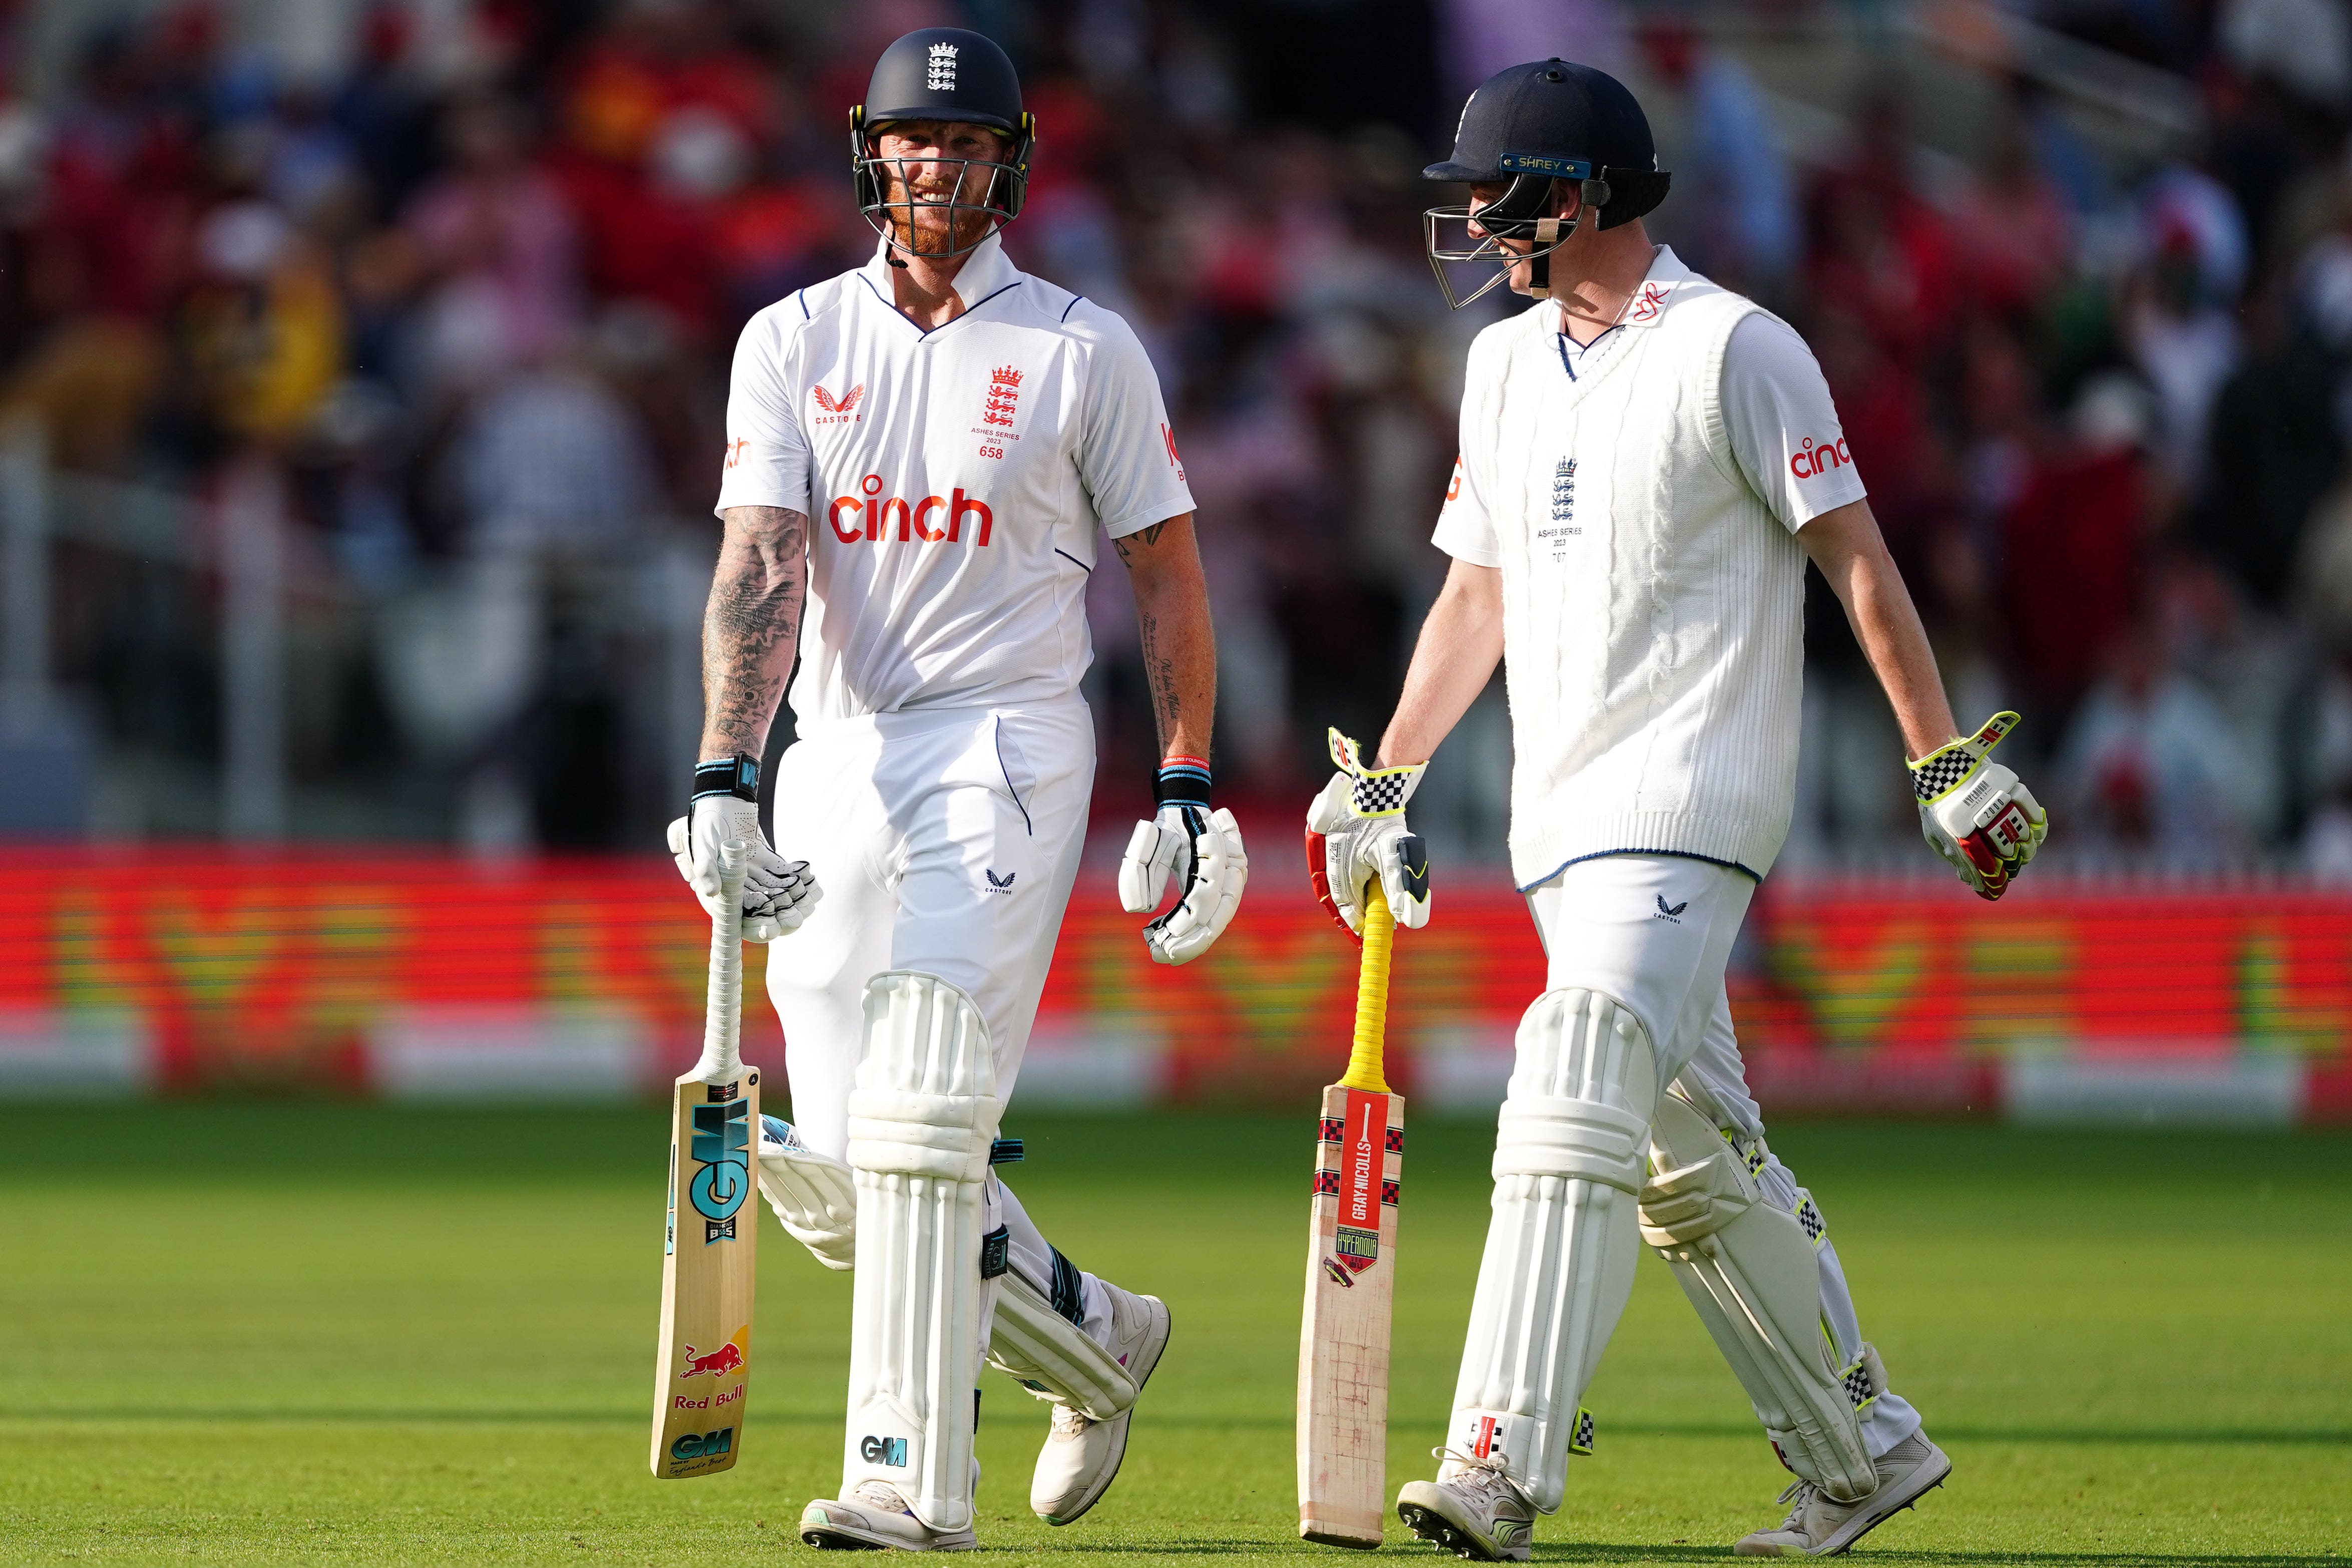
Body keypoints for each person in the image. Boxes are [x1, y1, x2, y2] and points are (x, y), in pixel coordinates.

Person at [1310, 59, 2046, 1560]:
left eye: (1499, 194)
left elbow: (1852, 553)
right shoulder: (1505, 365)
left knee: (1569, 1072)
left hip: (1693, 791)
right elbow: (1478, 589)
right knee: (1684, 1157)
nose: (1474, 225)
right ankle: (1862, 1451)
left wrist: (1938, 758)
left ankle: (1494, 1465)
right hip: (1559, 815)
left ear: (1580, 195)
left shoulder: (1736, 346)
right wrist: (1382, 771)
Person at [669, 28, 1248, 1551]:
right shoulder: (791, 336)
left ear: (1010, 165)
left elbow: (1167, 571)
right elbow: (762, 560)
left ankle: (905, 1478)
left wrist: (1184, 781)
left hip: (1004, 739)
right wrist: (728, 771)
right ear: (871, 151)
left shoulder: (1079, 346)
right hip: (837, 748)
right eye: (915, 140)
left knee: (925, 1115)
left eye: (969, 143)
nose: (939, 165)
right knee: (854, 1173)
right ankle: (1095, 1336)